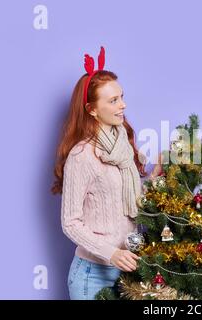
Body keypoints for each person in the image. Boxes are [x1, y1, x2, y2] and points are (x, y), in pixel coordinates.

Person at [52, 47, 161, 300]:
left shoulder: (122, 144)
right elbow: (70, 222)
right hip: (93, 273)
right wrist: (111, 253)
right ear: (91, 110)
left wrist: (153, 180)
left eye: (121, 96)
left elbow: (126, 199)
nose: (123, 105)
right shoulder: (82, 156)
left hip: (129, 270)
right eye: (113, 101)